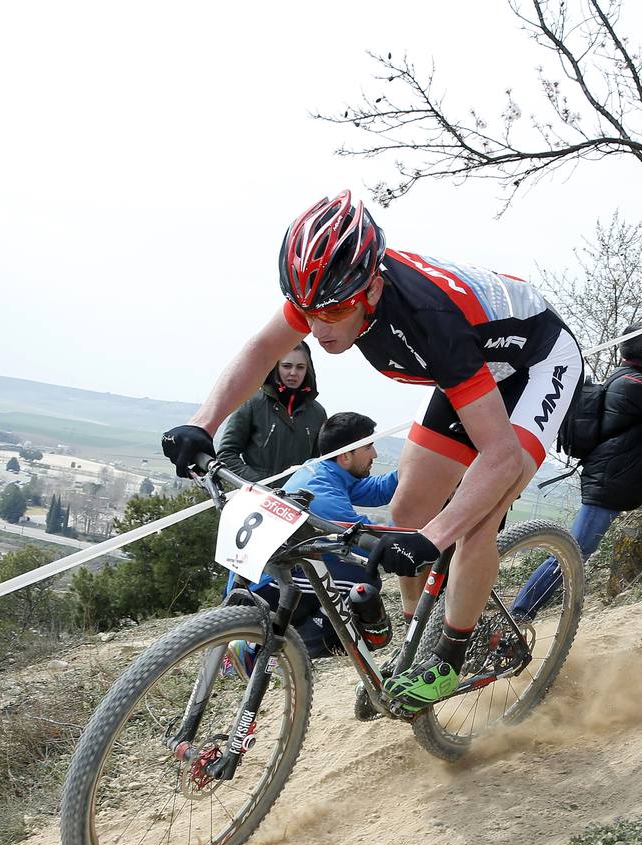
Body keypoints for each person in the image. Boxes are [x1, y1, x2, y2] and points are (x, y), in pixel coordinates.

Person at [163, 191, 582, 711]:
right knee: (408, 509)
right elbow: (260, 351)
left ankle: (448, 659)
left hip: (537, 363)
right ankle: (416, 644)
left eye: (335, 312)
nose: (319, 330)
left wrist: (434, 538)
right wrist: (202, 424)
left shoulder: (430, 320)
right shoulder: (328, 292)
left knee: (474, 519)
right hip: (474, 366)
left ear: (373, 287)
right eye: (307, 311)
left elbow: (499, 457)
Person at [511, 323, 642, 619]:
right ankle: (521, 612)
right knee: (574, 552)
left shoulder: (641, 381)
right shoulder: (633, 385)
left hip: (634, 473)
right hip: (614, 482)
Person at [224, 412, 399, 674]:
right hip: (264, 585)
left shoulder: (324, 470)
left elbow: (375, 490)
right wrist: (431, 536)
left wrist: (417, 466)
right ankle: (260, 649)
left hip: (262, 575)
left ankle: (272, 642)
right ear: (346, 456)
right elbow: (368, 541)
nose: (374, 454)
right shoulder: (322, 492)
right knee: (363, 580)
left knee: (340, 574)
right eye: (368, 446)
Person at [215, 341, 327, 483]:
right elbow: (226, 454)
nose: (293, 372)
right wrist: (259, 484)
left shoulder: (317, 413)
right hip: (256, 497)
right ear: (276, 366)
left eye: (300, 367)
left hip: (297, 499)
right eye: (287, 366)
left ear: (307, 370)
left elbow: (318, 462)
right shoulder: (251, 403)